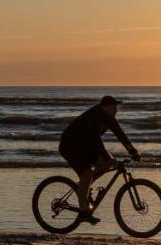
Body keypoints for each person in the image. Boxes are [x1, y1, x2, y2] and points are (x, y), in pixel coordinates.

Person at [59, 95, 140, 223]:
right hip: (71, 146)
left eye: (116, 107)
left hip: (86, 145)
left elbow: (120, 135)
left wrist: (132, 151)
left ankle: (84, 186)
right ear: (104, 107)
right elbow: (96, 138)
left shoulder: (110, 119)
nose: (116, 110)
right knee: (87, 173)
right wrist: (104, 155)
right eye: (113, 107)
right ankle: (83, 212)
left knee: (110, 163)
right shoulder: (94, 116)